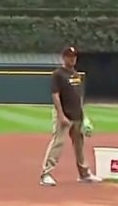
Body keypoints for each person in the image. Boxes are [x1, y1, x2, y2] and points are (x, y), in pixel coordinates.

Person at [40, 46, 102, 187]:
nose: (72, 59)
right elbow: (55, 95)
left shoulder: (76, 75)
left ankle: (84, 173)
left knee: (79, 146)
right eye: (69, 56)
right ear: (64, 58)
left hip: (77, 115)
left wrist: (84, 117)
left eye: (74, 56)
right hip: (64, 114)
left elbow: (78, 97)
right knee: (58, 143)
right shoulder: (58, 74)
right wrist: (61, 115)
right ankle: (46, 173)